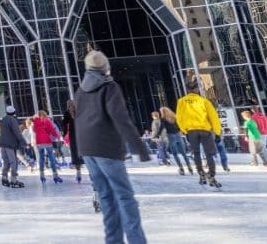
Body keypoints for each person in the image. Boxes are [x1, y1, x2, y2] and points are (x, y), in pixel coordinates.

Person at [75, 50, 151, 244]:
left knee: (106, 197)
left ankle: (114, 240)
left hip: (88, 149)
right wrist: (139, 147)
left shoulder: (81, 91)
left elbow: (79, 121)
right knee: (125, 197)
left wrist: (80, 151)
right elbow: (121, 118)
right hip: (106, 147)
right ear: (104, 67)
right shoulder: (109, 87)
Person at [175, 79, 222, 188]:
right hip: (204, 130)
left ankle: (201, 174)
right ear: (196, 89)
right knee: (209, 153)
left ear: (187, 90)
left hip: (191, 131)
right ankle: (211, 175)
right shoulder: (204, 101)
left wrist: (184, 130)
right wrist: (217, 132)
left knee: (196, 153)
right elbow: (213, 117)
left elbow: (179, 118)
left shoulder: (181, 102)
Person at [156, 107, 192, 175]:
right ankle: (189, 166)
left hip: (171, 135)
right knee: (184, 153)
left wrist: (157, 135)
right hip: (178, 135)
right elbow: (179, 125)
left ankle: (181, 168)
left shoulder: (163, 119)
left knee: (175, 154)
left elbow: (162, 127)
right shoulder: (174, 117)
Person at [0, 105, 27, 188]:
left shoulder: (3, 119)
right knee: (13, 161)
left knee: (6, 161)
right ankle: (13, 179)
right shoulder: (13, 120)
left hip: (2, 143)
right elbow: (17, 132)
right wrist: (23, 142)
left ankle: (4, 177)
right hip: (10, 144)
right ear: (14, 112)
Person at [33, 110, 63, 183]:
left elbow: (34, 130)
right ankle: (55, 175)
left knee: (41, 158)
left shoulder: (35, 122)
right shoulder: (47, 120)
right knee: (51, 157)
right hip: (47, 140)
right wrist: (57, 136)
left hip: (39, 141)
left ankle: (42, 175)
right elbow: (52, 130)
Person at [63, 100, 84, 183]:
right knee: (83, 154)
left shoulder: (67, 113)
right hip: (81, 136)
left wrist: (64, 134)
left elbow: (64, 125)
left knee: (75, 154)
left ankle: (78, 173)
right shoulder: (79, 112)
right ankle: (91, 174)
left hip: (73, 137)